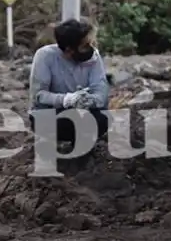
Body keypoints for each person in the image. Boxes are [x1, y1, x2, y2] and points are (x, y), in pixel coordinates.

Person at [28, 19, 110, 148]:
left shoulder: (94, 57)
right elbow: (39, 95)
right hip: (51, 113)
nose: (90, 48)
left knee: (103, 119)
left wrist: (91, 100)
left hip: (83, 111)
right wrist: (66, 99)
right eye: (85, 45)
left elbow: (100, 87)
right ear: (69, 50)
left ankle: (83, 151)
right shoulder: (45, 56)